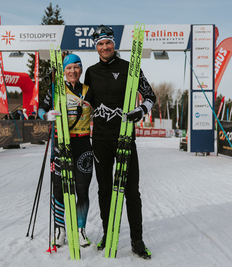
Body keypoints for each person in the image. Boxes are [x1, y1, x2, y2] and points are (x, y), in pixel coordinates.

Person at [84, 25, 156, 259]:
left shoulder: (130, 67)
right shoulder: (91, 72)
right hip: (101, 140)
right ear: (96, 46)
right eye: (100, 44)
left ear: (114, 44)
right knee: (104, 191)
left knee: (131, 191)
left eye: (108, 43)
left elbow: (150, 96)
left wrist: (141, 109)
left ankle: (137, 240)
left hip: (125, 137)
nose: (105, 47)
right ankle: (108, 233)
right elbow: (86, 103)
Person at [38, 54, 93, 248]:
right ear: (64, 71)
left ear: (81, 70)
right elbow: (40, 109)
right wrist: (47, 115)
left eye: (77, 67)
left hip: (84, 145)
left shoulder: (88, 90)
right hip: (61, 144)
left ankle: (80, 231)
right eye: (69, 68)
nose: (73, 71)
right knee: (59, 189)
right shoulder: (56, 90)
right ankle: (60, 230)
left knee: (82, 190)